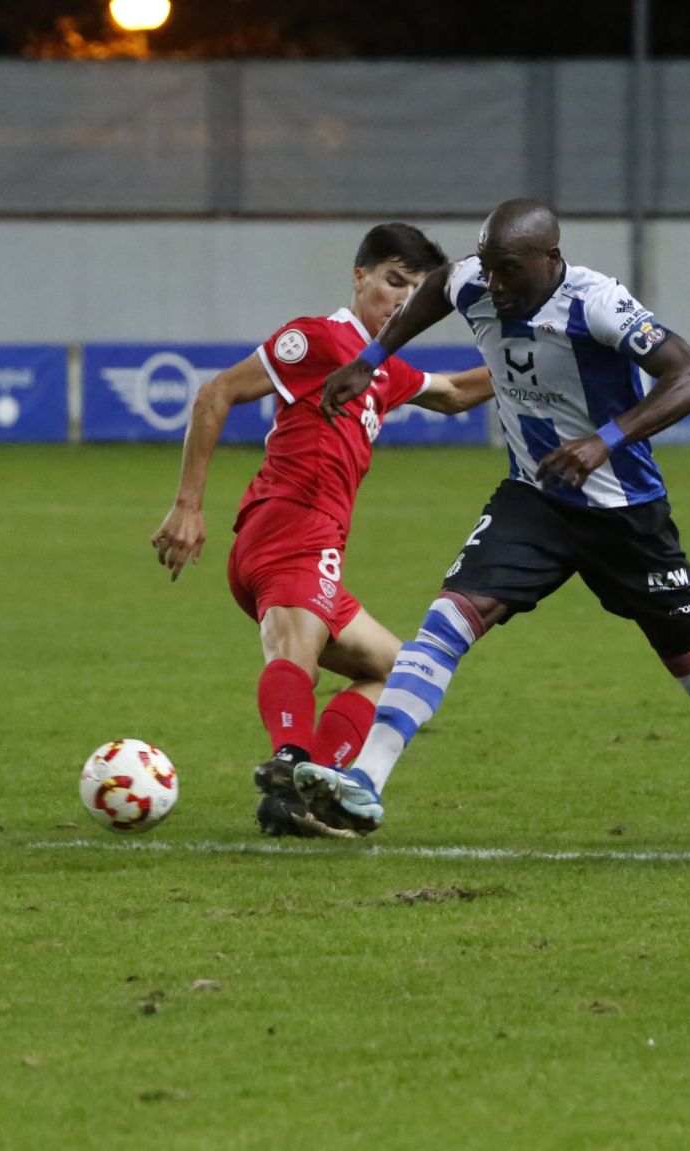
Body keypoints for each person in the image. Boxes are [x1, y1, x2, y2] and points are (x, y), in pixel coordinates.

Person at [292, 198, 690, 843]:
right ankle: (368, 782)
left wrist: (607, 439)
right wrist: (373, 355)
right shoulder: (475, 279)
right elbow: (440, 285)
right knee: (447, 621)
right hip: (536, 498)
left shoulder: (595, 303)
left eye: (509, 271)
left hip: (625, 515)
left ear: (551, 261)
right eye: (488, 268)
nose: (493, 284)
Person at [148, 223, 493, 838]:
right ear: (359, 277)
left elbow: (455, 393)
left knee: (395, 669)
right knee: (297, 658)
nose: (400, 301)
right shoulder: (317, 339)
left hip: (315, 544)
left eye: (416, 294)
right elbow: (216, 392)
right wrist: (189, 505)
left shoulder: (381, 371)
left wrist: (539, 360)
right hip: (288, 526)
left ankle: (303, 793)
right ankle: (289, 760)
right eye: (392, 282)